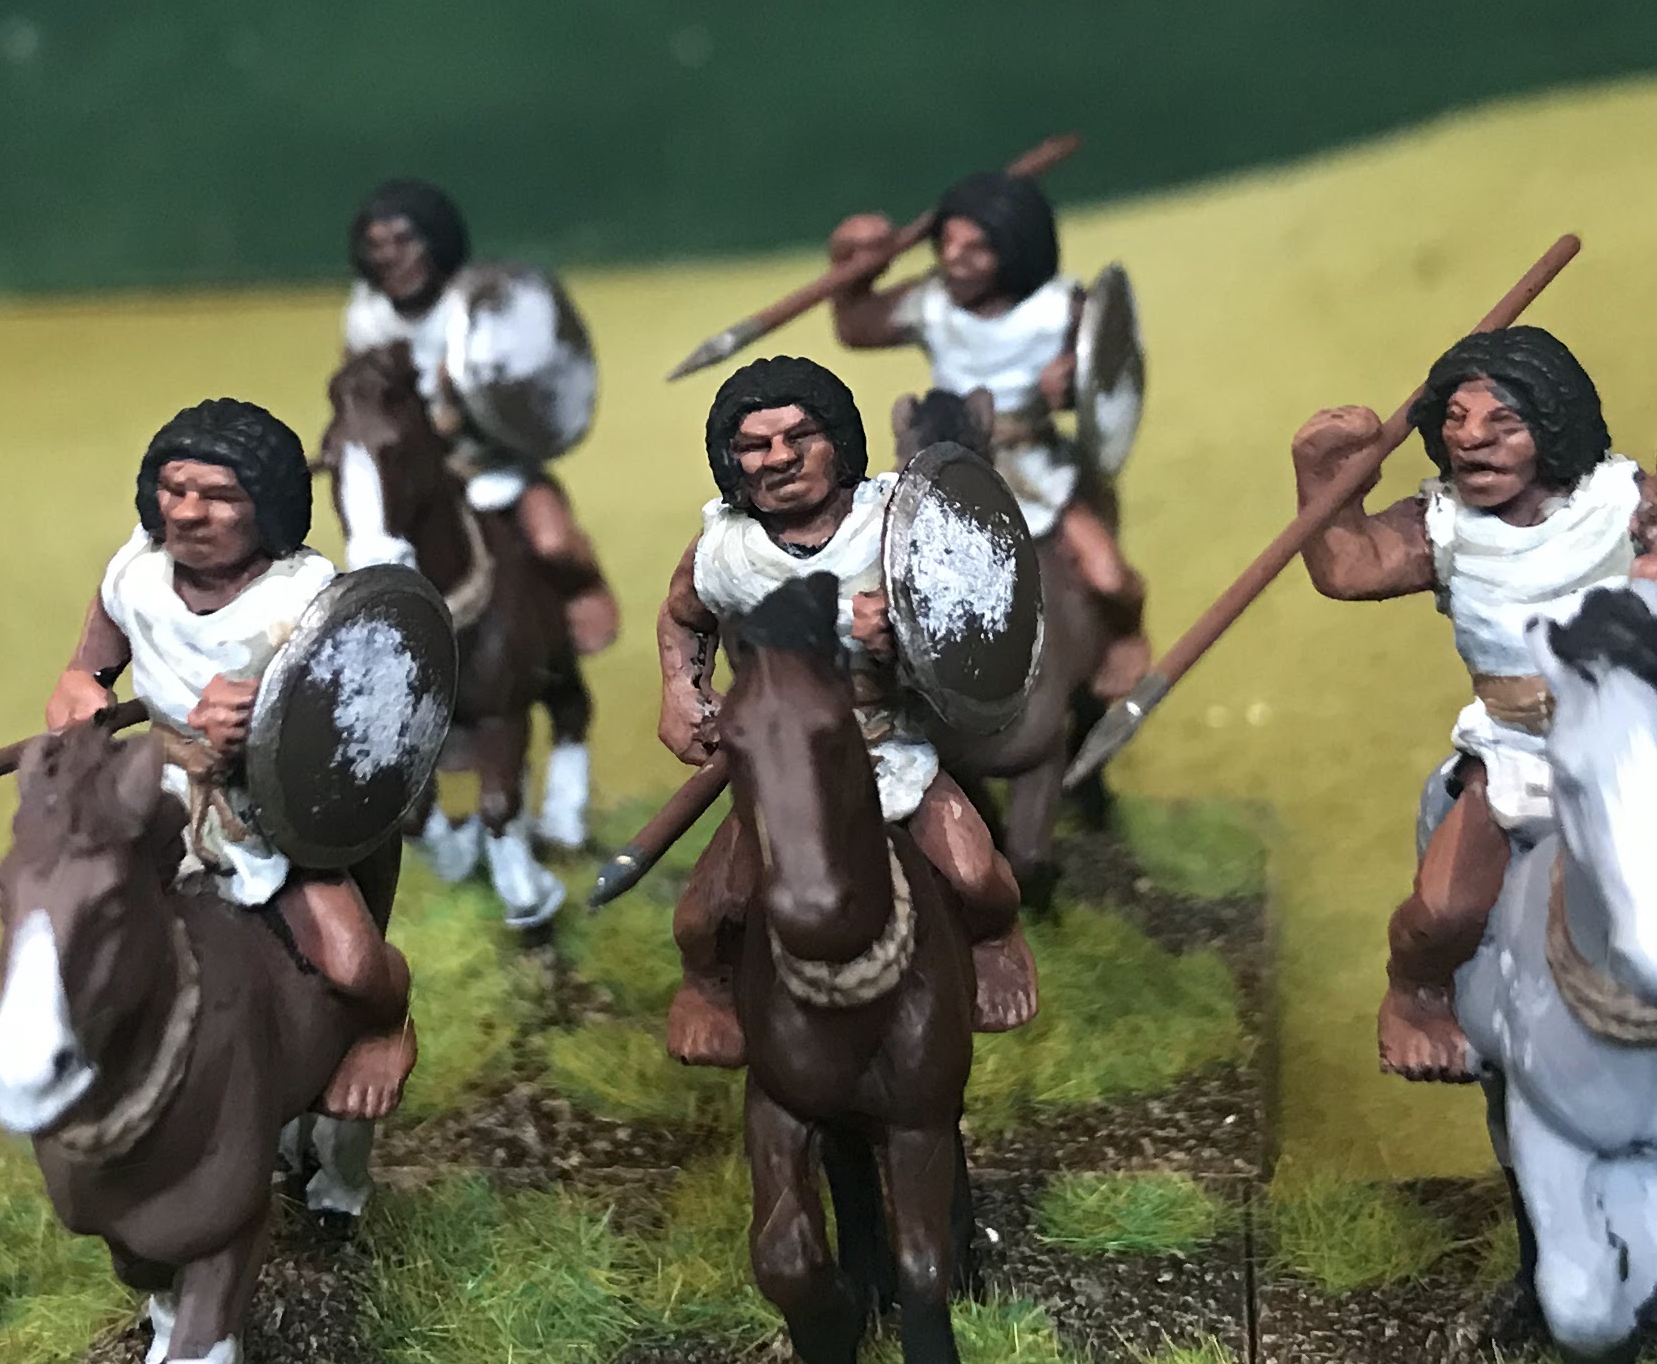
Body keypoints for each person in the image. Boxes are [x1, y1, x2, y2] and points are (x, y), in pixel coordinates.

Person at [1288, 327, 1657, 1082]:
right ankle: (1417, 996)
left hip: (1625, 738)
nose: (1471, 440)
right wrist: (1325, 477)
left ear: (1552, 425)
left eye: (1503, 423)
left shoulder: (1627, 503)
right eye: (1456, 420)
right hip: (1515, 749)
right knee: (1443, 915)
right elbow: (1350, 567)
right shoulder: (1442, 526)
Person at [44, 397, 417, 1134]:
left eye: (218, 496)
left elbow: (359, 724)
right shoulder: (136, 574)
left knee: (350, 962)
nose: (188, 513)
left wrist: (270, 721)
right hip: (158, 794)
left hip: (270, 813)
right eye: (174, 490)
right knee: (74, 924)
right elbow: (88, 667)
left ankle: (387, 1028)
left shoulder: (307, 599)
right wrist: (79, 694)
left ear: (266, 507)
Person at [653, 356, 1037, 1068]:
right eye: (755, 446)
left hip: (889, 747)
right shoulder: (725, 549)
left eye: (799, 437)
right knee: (705, 914)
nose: (780, 459)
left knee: (975, 875)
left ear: (839, 442)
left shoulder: (898, 523)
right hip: (784, 768)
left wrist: (904, 638)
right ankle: (709, 991)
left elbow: (971, 609)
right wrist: (682, 689)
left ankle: (993, 945)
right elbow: (682, 616)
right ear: (732, 462)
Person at [826, 164, 1147, 700]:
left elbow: (1111, 368)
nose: (954, 258)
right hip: (948, 460)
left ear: (1014, 249)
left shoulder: (1060, 310)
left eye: (976, 248)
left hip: (1033, 468)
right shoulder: (930, 304)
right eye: (948, 242)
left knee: (1106, 574)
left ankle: (1126, 637)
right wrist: (853, 267)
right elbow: (856, 327)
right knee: (876, 562)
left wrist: (1071, 384)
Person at [344, 180, 616, 658]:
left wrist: (463, 407)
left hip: (488, 458)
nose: (391, 257)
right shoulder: (366, 314)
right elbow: (360, 386)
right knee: (375, 551)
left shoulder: (481, 304)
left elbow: (518, 386)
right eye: (378, 245)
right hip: (412, 463)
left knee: (551, 542)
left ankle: (585, 591)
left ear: (435, 242)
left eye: (404, 241)